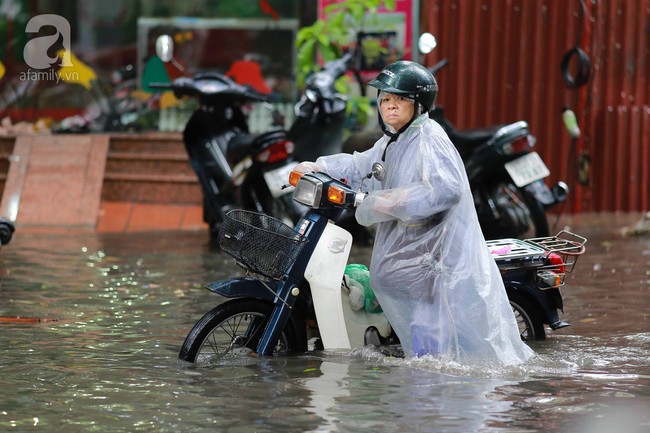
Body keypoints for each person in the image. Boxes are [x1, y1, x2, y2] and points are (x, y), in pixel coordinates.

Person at [295, 60, 534, 364]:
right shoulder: (394, 141)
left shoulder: (429, 139)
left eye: (400, 99)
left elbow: (445, 189)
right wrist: (320, 166)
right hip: (410, 249)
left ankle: (431, 381)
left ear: (418, 104)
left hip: (433, 255)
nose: (390, 106)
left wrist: (390, 201)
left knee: (431, 357)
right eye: (385, 100)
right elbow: (360, 165)